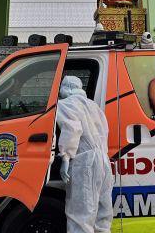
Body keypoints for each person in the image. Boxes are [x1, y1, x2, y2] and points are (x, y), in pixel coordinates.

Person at [55, 76, 113, 233]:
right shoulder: (94, 106)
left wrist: (66, 156)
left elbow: (72, 129)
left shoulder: (66, 104)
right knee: (102, 214)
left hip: (85, 161)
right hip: (103, 161)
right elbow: (104, 132)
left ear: (65, 88)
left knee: (80, 214)